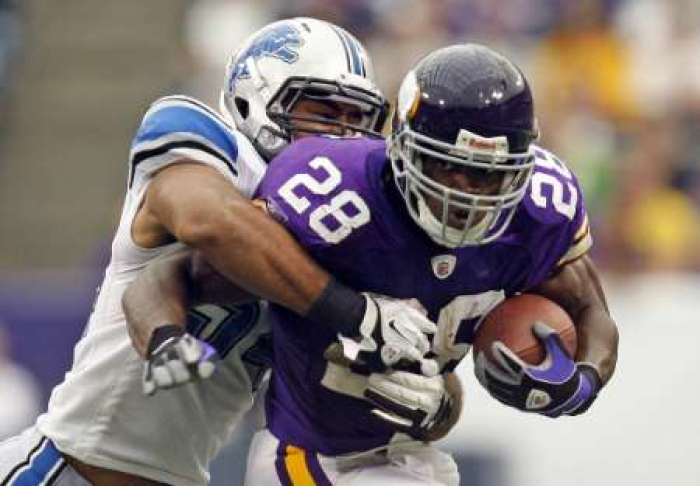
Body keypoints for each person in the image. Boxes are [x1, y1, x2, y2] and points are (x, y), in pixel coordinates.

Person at [137, 43, 617, 485]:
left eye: (487, 176)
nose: (464, 192)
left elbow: (593, 314)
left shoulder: (537, 213)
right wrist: (166, 337)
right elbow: (176, 273)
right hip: (309, 458)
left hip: (412, 458)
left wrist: (581, 382)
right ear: (402, 148)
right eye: (446, 165)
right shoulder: (336, 198)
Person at [0, 18, 438, 486]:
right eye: (324, 113)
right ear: (255, 99)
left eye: (357, 120)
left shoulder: (343, 233)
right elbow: (206, 221)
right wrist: (353, 312)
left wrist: (430, 396)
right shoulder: (206, 141)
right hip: (65, 469)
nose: (342, 138)